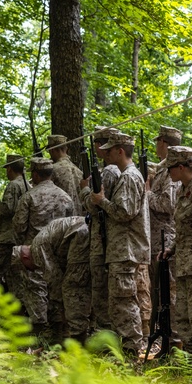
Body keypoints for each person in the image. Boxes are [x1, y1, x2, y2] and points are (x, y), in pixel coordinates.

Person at [88, 132, 152, 353]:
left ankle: (132, 348)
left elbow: (124, 212)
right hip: (122, 249)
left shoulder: (129, 177)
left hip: (126, 248)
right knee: (119, 299)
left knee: (124, 300)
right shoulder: (129, 176)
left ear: (120, 151)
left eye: (110, 149)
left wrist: (101, 201)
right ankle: (125, 347)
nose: (106, 153)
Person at [13, 157, 74, 333]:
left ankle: (39, 327)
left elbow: (19, 226)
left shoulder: (29, 196)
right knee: (56, 285)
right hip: (60, 249)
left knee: (35, 286)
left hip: (34, 250)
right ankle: (58, 327)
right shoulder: (65, 197)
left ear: (35, 174)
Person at [160, 145, 192, 348]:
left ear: (180, 167)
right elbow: (182, 228)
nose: (168, 173)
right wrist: (171, 249)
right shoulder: (182, 190)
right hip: (184, 262)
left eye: (170, 168)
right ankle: (189, 357)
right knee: (184, 312)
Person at [19, 216, 91, 342]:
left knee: (72, 288)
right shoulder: (43, 240)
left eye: (28, 268)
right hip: (87, 229)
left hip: (79, 234)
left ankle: (78, 339)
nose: (34, 270)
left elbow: (56, 281)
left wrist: (60, 315)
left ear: (25, 258)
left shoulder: (37, 249)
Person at [81, 126, 122, 332]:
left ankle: (105, 333)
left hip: (103, 240)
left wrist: (84, 189)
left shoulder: (109, 171)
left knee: (100, 288)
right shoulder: (115, 170)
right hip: (104, 238)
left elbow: (92, 204)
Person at [148, 126, 182, 335]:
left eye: (158, 141)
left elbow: (168, 203)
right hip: (157, 238)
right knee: (160, 292)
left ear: (164, 143)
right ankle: (166, 335)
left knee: (170, 291)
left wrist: (147, 195)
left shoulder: (171, 170)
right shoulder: (162, 168)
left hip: (166, 237)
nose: (156, 146)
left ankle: (175, 337)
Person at [0, 153, 27, 287]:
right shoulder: (27, 184)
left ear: (10, 169)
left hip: (8, 238)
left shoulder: (14, 185)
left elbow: (8, 209)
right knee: (13, 276)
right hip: (20, 236)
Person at [47, 134, 85, 215]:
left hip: (61, 219)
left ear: (52, 150)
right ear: (66, 149)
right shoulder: (77, 170)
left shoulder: (52, 169)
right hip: (79, 218)